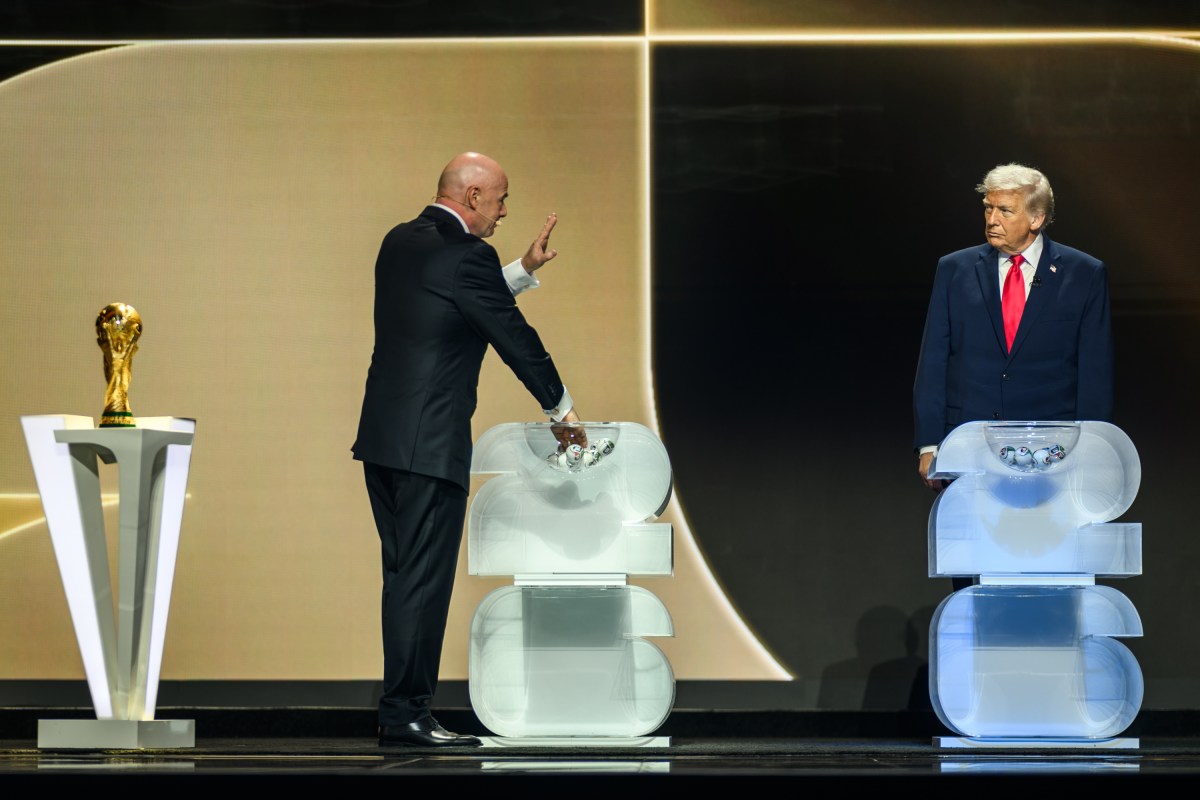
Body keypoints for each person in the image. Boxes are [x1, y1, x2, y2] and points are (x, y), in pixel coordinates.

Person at [352, 151, 585, 747]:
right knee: (421, 582)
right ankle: (406, 712)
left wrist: (520, 271)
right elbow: (508, 333)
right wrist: (561, 409)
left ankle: (402, 711)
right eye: (502, 199)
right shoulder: (467, 257)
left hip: (384, 438)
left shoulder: (400, 242)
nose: (506, 211)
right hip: (429, 440)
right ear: (474, 195)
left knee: (404, 576)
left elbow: (455, 300)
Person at [912, 163, 1114, 586]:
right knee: (973, 583)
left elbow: (1095, 372)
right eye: (988, 208)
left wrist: (1093, 454)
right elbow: (934, 359)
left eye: (1005, 210)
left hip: (1052, 459)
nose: (991, 219)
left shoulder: (1084, 273)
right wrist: (931, 444)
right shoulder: (954, 269)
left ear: (1036, 218)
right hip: (971, 456)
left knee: (1047, 580)